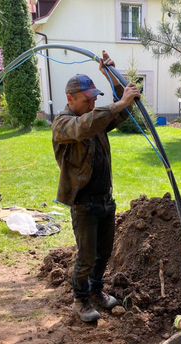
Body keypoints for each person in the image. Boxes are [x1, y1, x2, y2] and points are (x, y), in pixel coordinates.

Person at [52, 51, 141, 323]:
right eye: (87, 99)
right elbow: (84, 126)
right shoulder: (64, 125)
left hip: (105, 200)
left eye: (94, 99)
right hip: (84, 204)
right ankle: (80, 301)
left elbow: (124, 111)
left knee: (104, 254)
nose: (92, 104)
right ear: (70, 99)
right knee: (86, 258)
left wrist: (113, 78)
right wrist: (114, 105)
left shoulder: (95, 116)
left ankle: (96, 291)